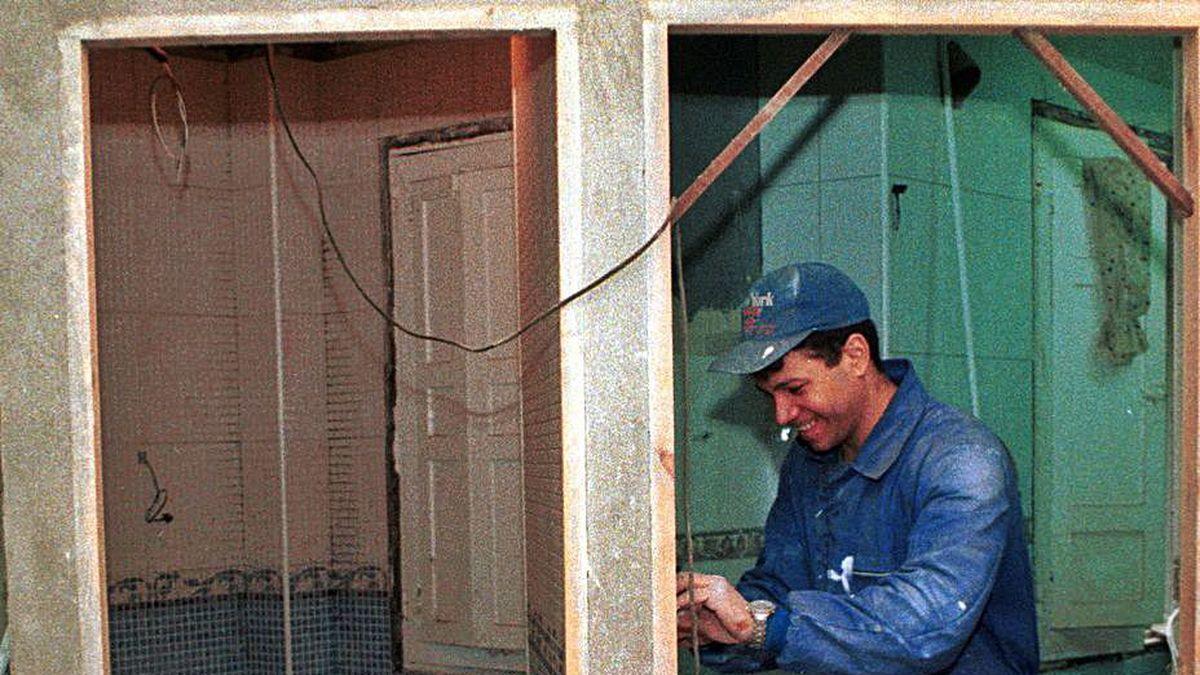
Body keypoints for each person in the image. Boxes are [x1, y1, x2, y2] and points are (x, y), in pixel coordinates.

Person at [677, 262, 1038, 674]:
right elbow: (779, 585)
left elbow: (924, 627)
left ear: (855, 355)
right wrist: (711, 621)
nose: (782, 415)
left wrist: (761, 627)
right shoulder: (810, 461)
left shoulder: (961, 459)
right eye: (769, 396)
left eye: (795, 389)